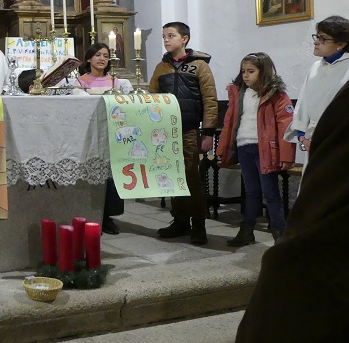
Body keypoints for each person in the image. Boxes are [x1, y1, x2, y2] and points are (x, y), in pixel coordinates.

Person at [236, 80, 349, 341]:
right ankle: (251, 227)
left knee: (271, 197)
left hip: (273, 152)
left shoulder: (277, 94)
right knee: (254, 192)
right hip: (252, 146)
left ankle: (277, 228)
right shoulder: (318, 73)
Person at [148, 21, 217, 245]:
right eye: (164, 37)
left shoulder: (199, 66)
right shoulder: (162, 68)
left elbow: (209, 100)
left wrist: (208, 132)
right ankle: (179, 221)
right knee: (171, 176)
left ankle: (198, 224)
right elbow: (152, 98)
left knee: (190, 176)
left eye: (171, 36)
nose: (166, 40)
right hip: (166, 132)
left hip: (188, 129)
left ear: (184, 39)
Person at [216, 52, 295, 247]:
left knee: (270, 192)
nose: (245, 75)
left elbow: (286, 125)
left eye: (251, 71)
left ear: (264, 72)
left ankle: (280, 234)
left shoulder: (276, 95)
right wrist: (222, 150)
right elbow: (229, 122)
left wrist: (286, 155)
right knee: (251, 192)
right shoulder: (239, 93)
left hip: (265, 149)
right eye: (243, 71)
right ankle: (246, 231)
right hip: (244, 146)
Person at [78, 42, 133, 234]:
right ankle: (90, 215)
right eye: (98, 55)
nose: (102, 59)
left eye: (106, 56)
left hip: (111, 130)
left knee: (111, 175)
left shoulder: (115, 82)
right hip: (89, 132)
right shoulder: (80, 82)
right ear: (88, 59)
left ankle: (108, 216)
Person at [284, 15, 349, 174]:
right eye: (317, 36)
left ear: (340, 44)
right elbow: (303, 106)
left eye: (323, 39)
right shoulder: (314, 68)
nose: (316, 41)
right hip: (312, 143)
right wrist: (302, 139)